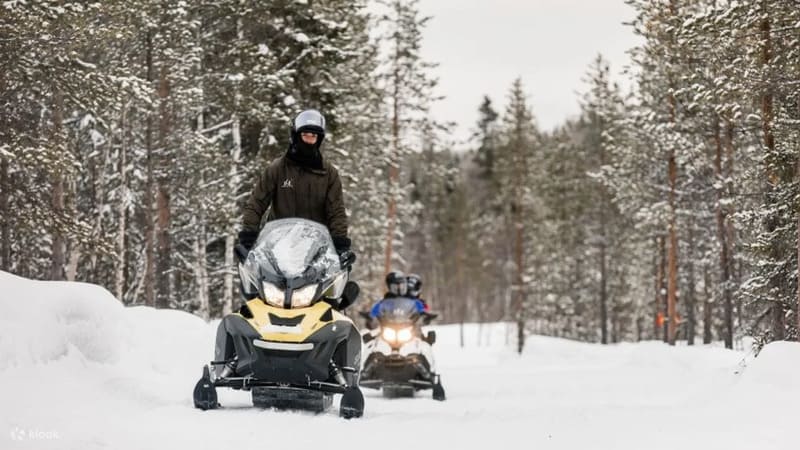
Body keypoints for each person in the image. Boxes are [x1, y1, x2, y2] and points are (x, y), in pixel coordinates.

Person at [238, 109, 351, 255]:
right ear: (296, 136)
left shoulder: (329, 174)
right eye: (305, 135)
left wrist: (340, 242)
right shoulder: (277, 169)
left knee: (337, 270)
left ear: (319, 139)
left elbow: (336, 211)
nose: (309, 140)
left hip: (315, 250)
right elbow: (257, 203)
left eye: (313, 136)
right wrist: (249, 234)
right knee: (255, 268)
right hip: (277, 248)